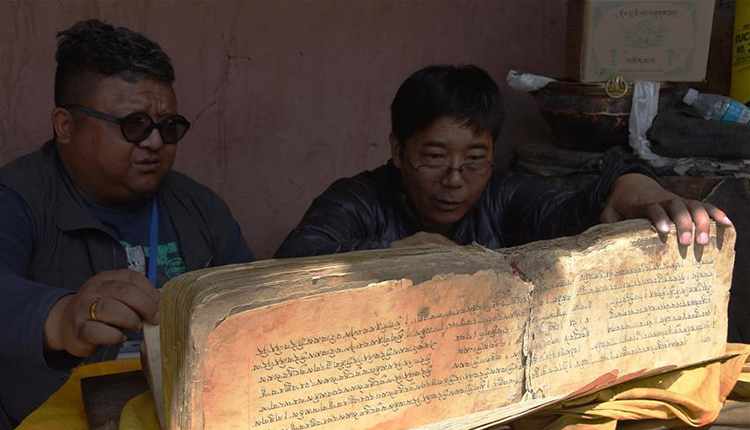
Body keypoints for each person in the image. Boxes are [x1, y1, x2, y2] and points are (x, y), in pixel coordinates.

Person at [0, 20, 253, 427]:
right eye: (133, 125)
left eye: (168, 127)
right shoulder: (16, 198)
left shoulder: (201, 208)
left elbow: (250, 310)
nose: (154, 142)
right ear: (66, 125)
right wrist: (62, 317)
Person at [275, 65, 732, 258]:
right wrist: (396, 254)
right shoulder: (357, 199)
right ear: (398, 150)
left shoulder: (503, 195)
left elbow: (577, 207)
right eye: (433, 158)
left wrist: (637, 187)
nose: (455, 180)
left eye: (475, 160)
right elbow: (295, 257)